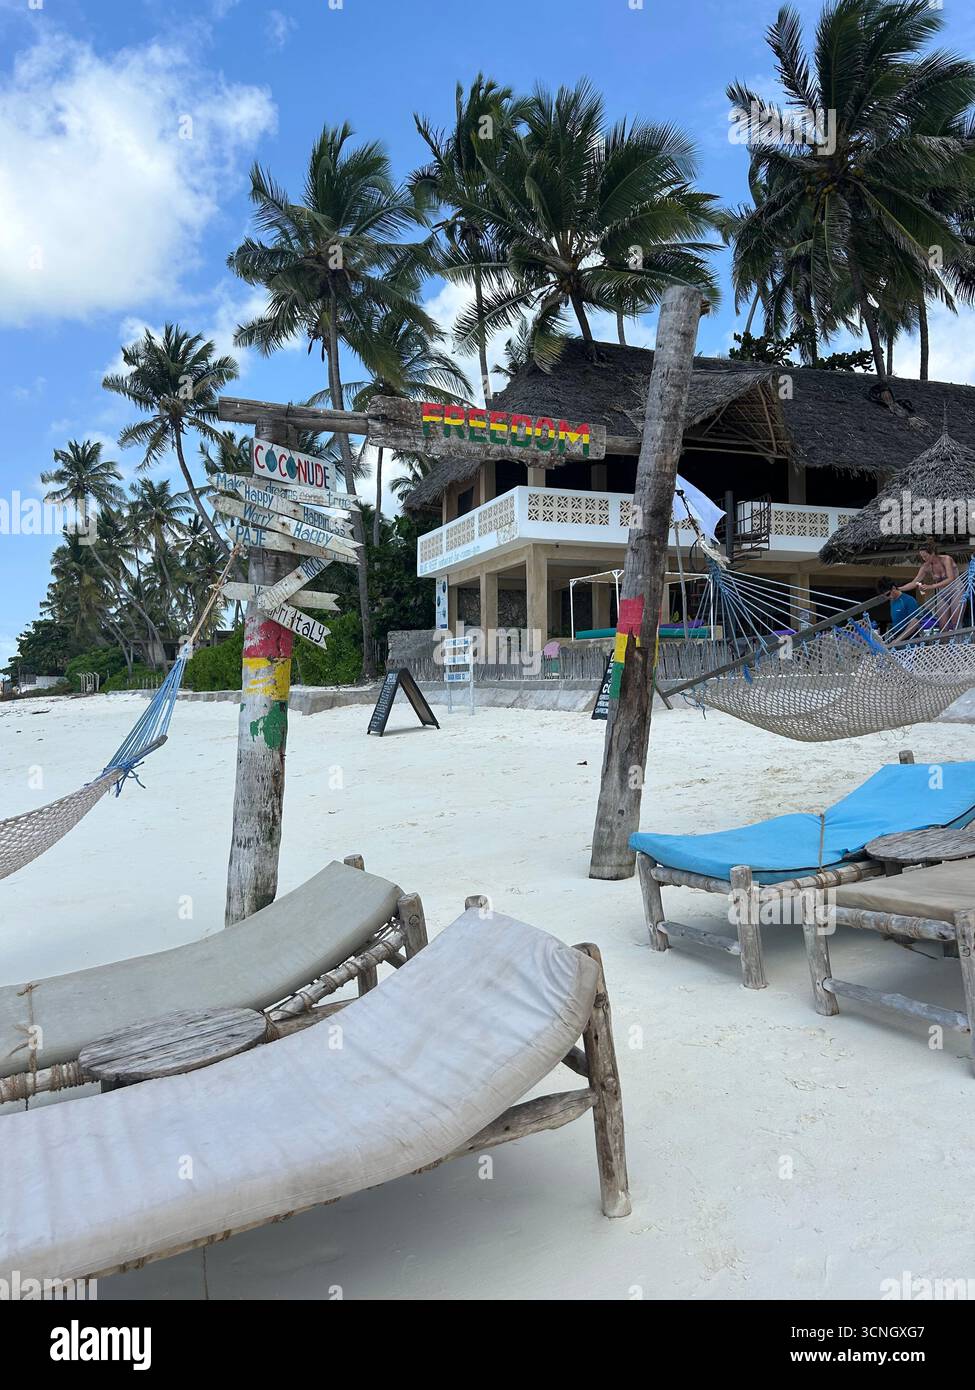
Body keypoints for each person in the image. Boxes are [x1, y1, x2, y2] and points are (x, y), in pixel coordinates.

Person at [898, 544, 961, 631]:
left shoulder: (946, 559)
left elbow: (951, 578)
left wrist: (931, 586)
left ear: (932, 553)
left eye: (925, 556)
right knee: (942, 624)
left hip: (956, 590)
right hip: (942, 593)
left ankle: (958, 642)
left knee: (955, 622)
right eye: (922, 557)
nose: (924, 559)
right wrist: (899, 589)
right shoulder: (926, 567)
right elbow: (915, 582)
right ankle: (944, 643)